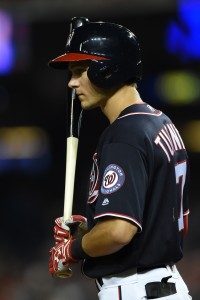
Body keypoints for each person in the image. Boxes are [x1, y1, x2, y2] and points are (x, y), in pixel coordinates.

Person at [48, 17, 192, 299]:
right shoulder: (157, 121)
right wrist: (90, 233)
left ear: (108, 70)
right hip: (159, 284)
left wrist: (72, 250)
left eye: (79, 71)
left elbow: (118, 232)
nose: (72, 83)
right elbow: (146, 222)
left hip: (135, 289)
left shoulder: (124, 134)